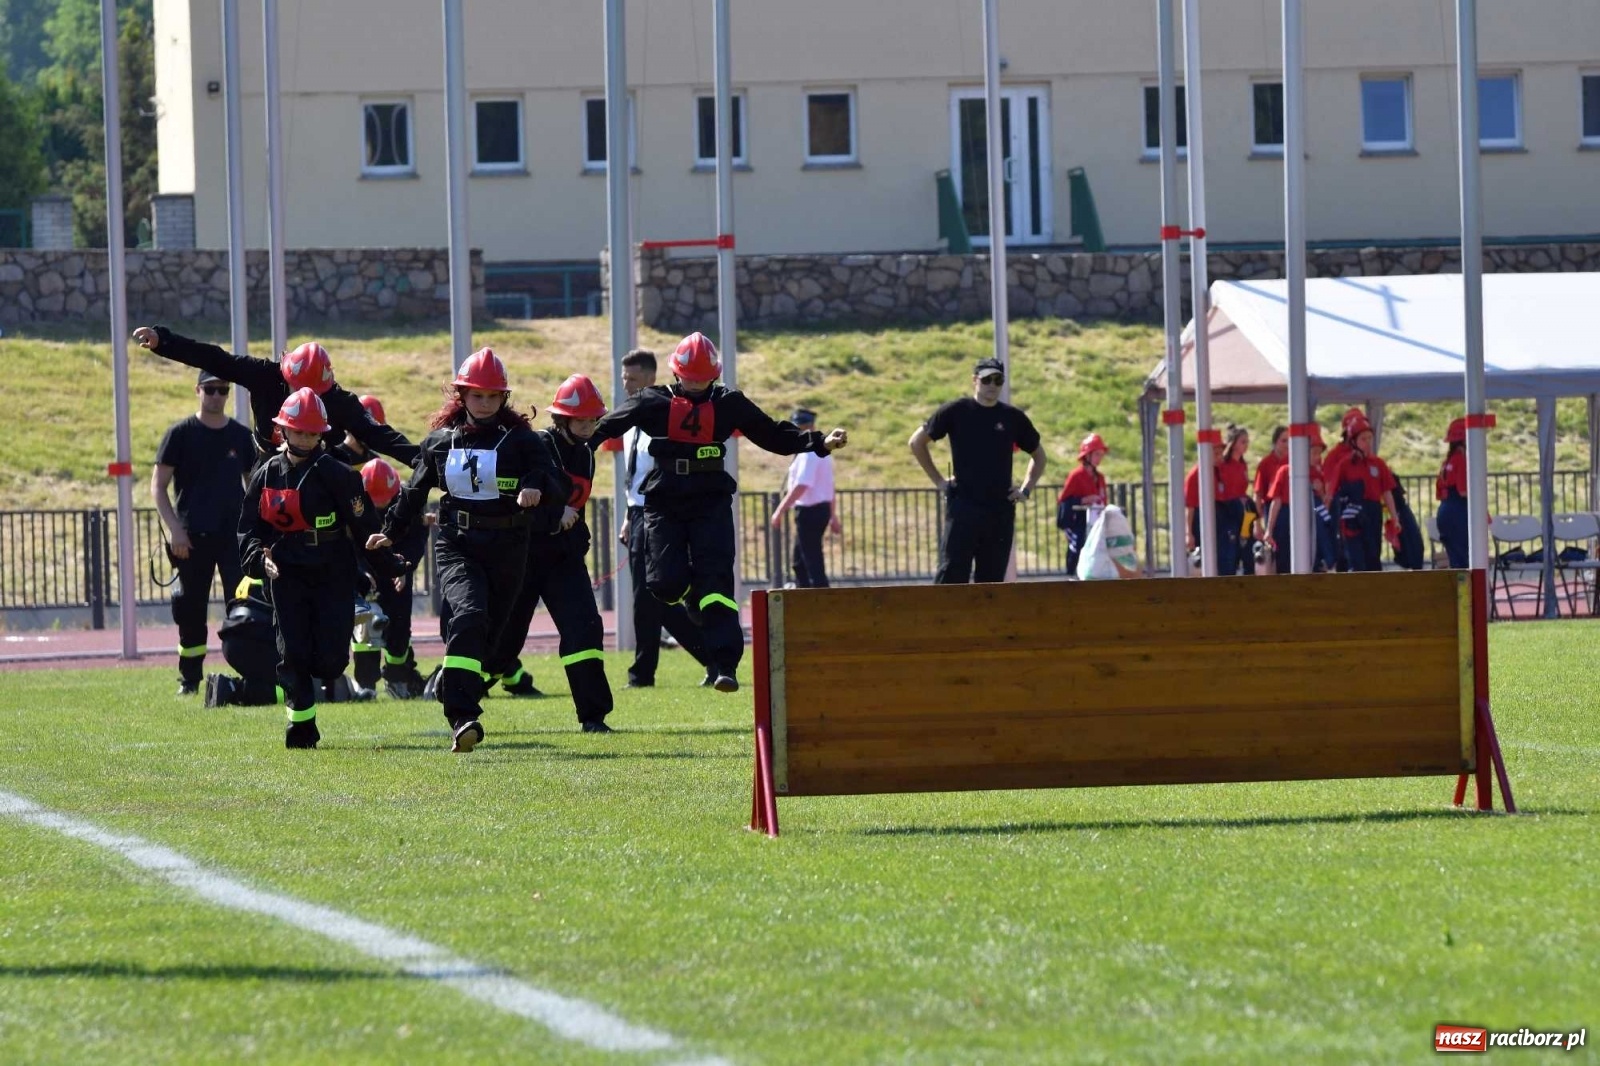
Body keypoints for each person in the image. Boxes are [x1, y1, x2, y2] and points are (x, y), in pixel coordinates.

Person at [590, 332, 848, 692]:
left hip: (710, 501)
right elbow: (605, 427)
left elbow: (772, 433)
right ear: (676, 373)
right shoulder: (653, 401)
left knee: (717, 582)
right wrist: (569, 446)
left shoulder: (730, 403)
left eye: (703, 377)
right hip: (664, 500)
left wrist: (818, 442)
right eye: (689, 376)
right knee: (665, 585)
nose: (696, 384)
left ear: (714, 375)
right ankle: (693, 597)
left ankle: (726, 665)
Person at [367, 348, 560, 753]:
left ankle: (454, 682)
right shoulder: (440, 442)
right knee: (470, 615)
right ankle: (462, 714)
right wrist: (389, 532)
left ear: (503, 398)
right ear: (462, 395)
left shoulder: (522, 440)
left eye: (492, 396)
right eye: (476, 395)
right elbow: (413, 492)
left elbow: (550, 477)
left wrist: (534, 485)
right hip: (458, 544)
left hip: (509, 546)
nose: (484, 403)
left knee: (496, 644)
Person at [238, 388, 401, 749]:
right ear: (283, 430)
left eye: (313, 432)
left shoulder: (339, 475)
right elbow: (250, 527)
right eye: (299, 431)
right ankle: (301, 730)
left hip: (332, 571)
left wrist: (388, 563)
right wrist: (257, 557)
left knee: (329, 661)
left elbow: (365, 528)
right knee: (291, 652)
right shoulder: (266, 474)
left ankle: (327, 673)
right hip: (285, 573)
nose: (306, 438)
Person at [493, 374, 616, 732]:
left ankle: (593, 717)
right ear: (561, 419)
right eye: (581, 419)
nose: (589, 426)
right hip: (525, 557)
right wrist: (552, 515)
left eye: (594, 420)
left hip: (563, 560)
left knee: (585, 630)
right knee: (503, 643)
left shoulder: (586, 453)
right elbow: (515, 499)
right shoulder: (537, 445)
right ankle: (453, 689)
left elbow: (575, 509)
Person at [131, 326, 420, 469]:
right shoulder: (267, 375)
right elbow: (216, 359)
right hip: (270, 461)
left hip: (320, 466)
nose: (302, 397)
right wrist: (163, 341)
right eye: (295, 389)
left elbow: (380, 435)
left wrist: (423, 461)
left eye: (310, 394)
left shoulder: (338, 400)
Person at [611, 349, 717, 689]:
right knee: (653, 596)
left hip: (660, 515)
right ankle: (710, 657)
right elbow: (634, 476)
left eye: (633, 379)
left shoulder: (667, 419)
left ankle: (644, 673)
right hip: (638, 515)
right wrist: (630, 514)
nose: (626, 385)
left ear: (652, 379)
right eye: (624, 378)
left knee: (650, 595)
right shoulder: (630, 421)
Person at [151, 369, 257, 695]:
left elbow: (254, 485)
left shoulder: (240, 436)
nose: (216, 396)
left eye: (222, 390)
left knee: (243, 609)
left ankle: (250, 675)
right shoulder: (180, 434)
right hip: (192, 539)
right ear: (198, 390)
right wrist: (175, 531)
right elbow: (158, 487)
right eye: (210, 389)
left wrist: (255, 533)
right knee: (190, 610)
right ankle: (190, 681)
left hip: (233, 540)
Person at [908, 357, 1046, 584]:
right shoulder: (955, 411)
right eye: (986, 379)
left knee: (991, 583)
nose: (992, 385)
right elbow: (916, 442)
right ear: (975, 380)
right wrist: (940, 482)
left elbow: (1039, 456)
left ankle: (987, 622)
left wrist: (1025, 490)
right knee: (951, 575)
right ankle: (945, 620)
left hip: (1000, 510)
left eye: (998, 380)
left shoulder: (1012, 418)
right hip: (964, 506)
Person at [349, 458, 431, 699]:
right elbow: (348, 543)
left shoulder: (410, 502)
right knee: (364, 629)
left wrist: (405, 567)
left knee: (399, 627)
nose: (380, 506)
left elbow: (416, 540)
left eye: (384, 501)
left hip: (397, 571)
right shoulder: (351, 503)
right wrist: (359, 573)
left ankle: (397, 677)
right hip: (366, 572)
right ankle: (365, 684)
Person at [769, 407, 841, 588]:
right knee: (800, 563)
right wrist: (832, 515)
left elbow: (802, 485)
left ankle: (820, 602)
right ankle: (806, 598)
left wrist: (780, 510)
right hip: (820, 509)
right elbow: (829, 486)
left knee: (811, 562)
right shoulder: (822, 450)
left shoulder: (808, 452)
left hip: (810, 511)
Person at [1328, 415, 1399, 573]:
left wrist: (1394, 517)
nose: (1367, 443)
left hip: (1373, 512)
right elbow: (1332, 492)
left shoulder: (1379, 464)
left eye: (1369, 438)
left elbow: (1387, 492)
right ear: (1353, 441)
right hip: (1351, 514)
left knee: (1373, 557)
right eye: (1363, 439)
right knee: (1356, 560)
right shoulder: (1344, 464)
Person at [1262, 425, 1337, 573]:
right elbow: (1275, 502)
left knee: (1312, 554)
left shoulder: (1316, 474)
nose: (1317, 457)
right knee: (1284, 558)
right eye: (1314, 453)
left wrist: (1321, 491)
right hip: (1286, 517)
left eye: (1319, 453)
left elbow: (1323, 511)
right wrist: (1269, 530)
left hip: (1309, 518)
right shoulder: (1284, 471)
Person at [1055, 432, 1109, 576]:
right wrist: (1083, 500)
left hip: (1095, 519)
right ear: (1087, 455)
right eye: (1097, 454)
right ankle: (1072, 576)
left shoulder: (1100, 477)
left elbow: (1104, 499)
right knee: (1077, 547)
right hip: (1077, 521)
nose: (1099, 458)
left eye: (1101, 455)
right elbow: (1063, 501)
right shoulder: (1076, 476)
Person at [1251, 426, 1288, 573]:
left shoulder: (1293, 461)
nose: (1286, 445)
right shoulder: (1266, 464)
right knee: (1274, 551)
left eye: (1289, 441)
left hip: (1289, 509)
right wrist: (1257, 523)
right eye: (1283, 441)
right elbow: (1258, 495)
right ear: (1275, 442)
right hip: (1271, 510)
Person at [1435, 417, 1470, 569]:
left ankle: (1461, 593)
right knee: (1466, 562)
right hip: (1458, 512)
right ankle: (1470, 593)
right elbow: (1463, 491)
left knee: (1456, 561)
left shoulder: (1447, 462)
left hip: (1445, 512)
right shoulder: (1461, 460)